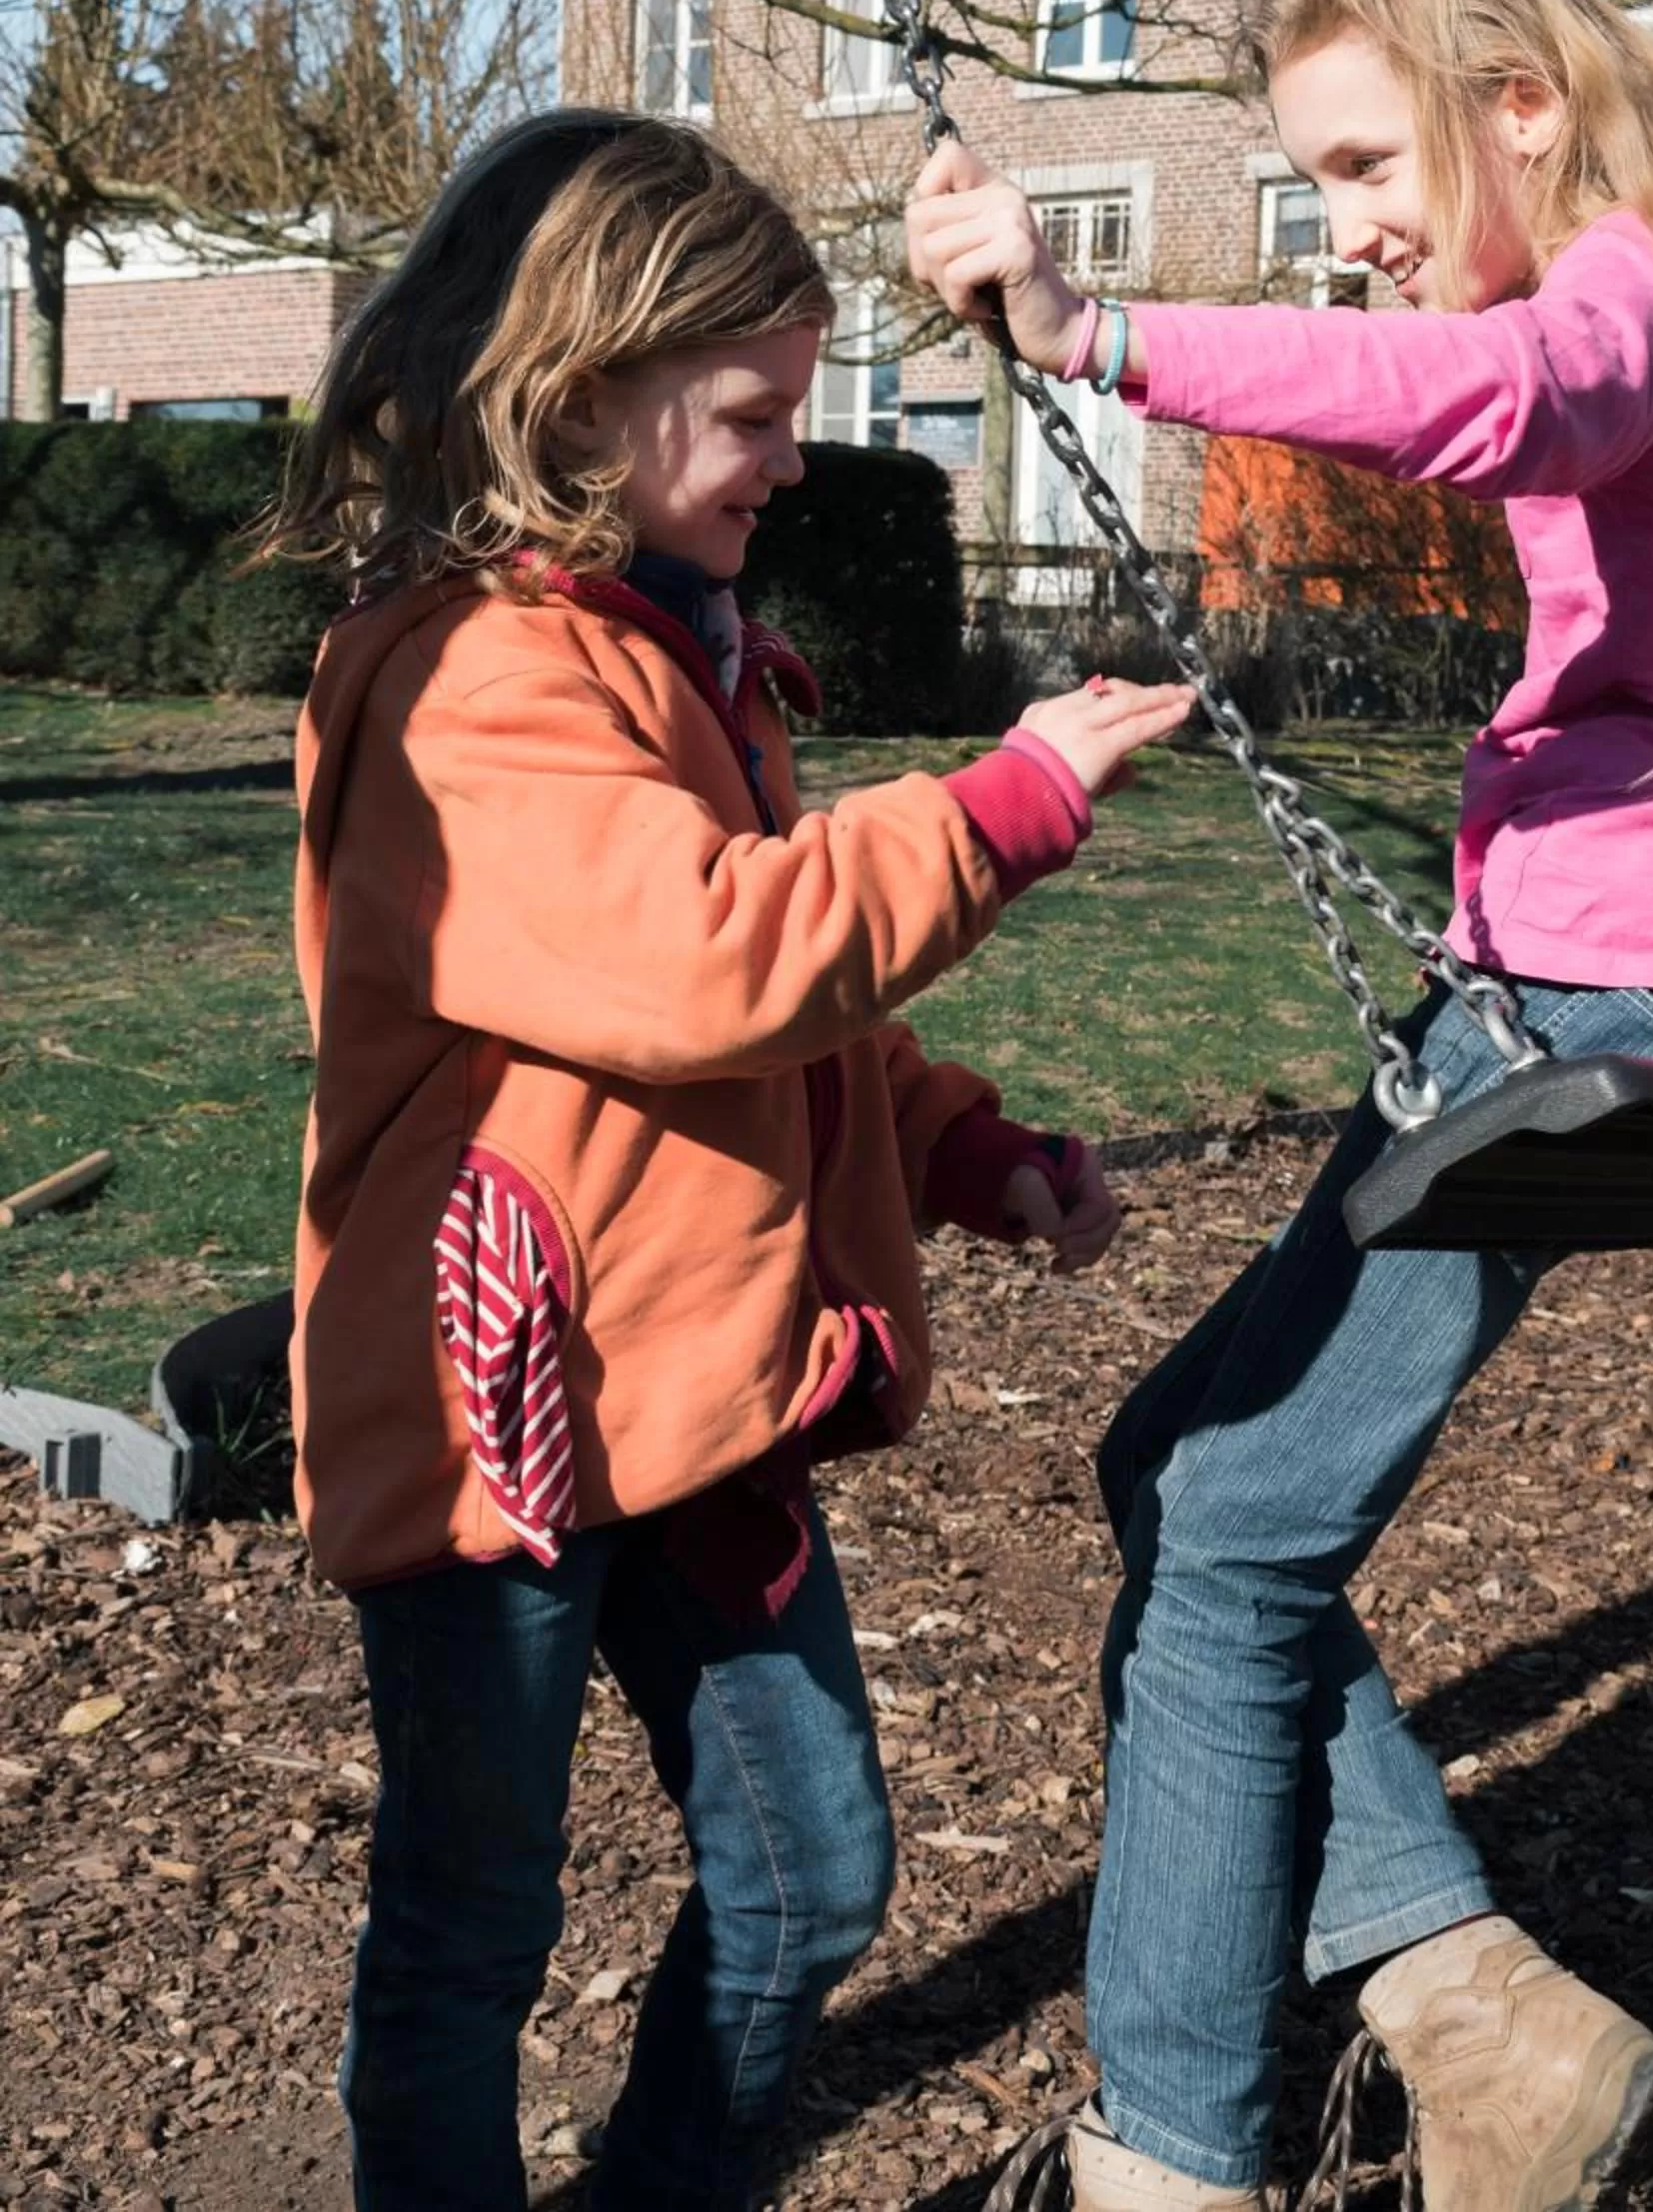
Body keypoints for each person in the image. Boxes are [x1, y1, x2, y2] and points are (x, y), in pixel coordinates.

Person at [904, 0, 1653, 2212]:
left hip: (1613, 1002)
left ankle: (1167, 2157)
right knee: (1177, 1464)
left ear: (1525, 108)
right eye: (1319, 186)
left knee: (1233, 1545)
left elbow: (1502, 402)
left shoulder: (1631, 291)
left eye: (1371, 167)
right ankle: (1470, 2023)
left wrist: (1098, 334)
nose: (1353, 228)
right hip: (1629, 982)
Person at [265, 107, 1195, 2212]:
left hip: (686, 1379)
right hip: (501, 1396)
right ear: (579, 386)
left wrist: (963, 1150)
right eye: (757, 411)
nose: (799, 452)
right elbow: (705, 958)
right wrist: (1009, 803)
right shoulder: (470, 683)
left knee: (809, 1877)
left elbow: (779, 1018)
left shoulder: (664, 643)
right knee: (469, 1934)